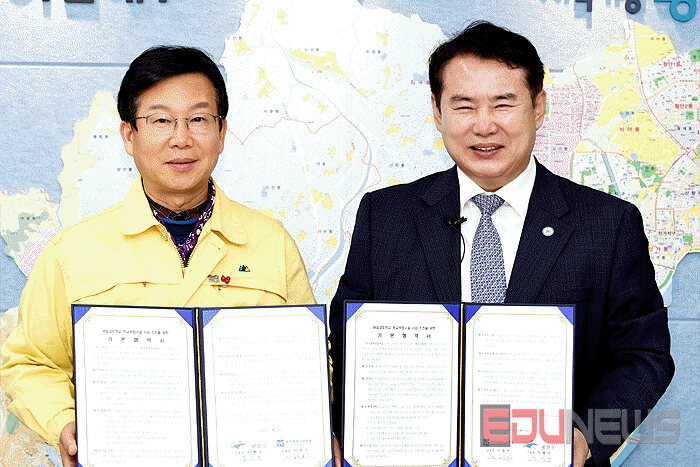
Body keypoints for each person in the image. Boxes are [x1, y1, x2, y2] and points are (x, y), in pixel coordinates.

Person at [329, 21, 673, 467]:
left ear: (539, 108)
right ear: (437, 112)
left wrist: (587, 438)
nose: (484, 125)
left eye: (503, 104)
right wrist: (342, 432)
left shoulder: (607, 224)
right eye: (464, 106)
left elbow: (644, 356)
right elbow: (346, 343)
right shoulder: (386, 216)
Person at [0, 46, 319, 467]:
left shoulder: (272, 242)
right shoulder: (74, 251)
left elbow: (311, 364)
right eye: (161, 120)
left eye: (198, 119)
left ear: (222, 132)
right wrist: (62, 421)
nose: (181, 138)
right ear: (129, 135)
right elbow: (30, 362)